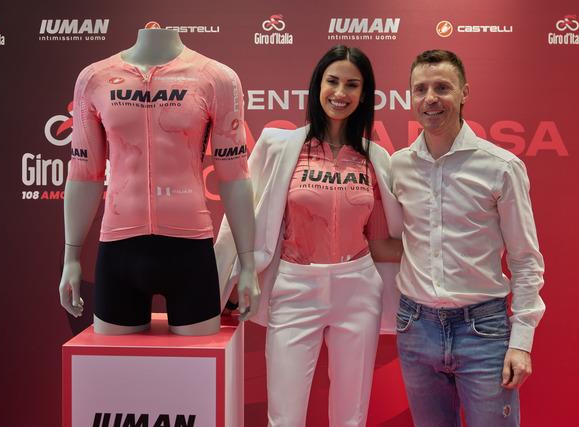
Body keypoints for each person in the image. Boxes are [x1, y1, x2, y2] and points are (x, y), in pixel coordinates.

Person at [215, 45, 403, 427]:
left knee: (351, 417)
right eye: (332, 81)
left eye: (352, 84)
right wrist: (233, 273)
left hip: (357, 287)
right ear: (318, 85)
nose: (340, 93)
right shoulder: (279, 145)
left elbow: (381, 238)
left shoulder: (377, 158)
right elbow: (244, 214)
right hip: (295, 285)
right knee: (284, 417)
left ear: (364, 94)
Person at [58, 27, 260, 335]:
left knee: (198, 365)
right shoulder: (95, 78)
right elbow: (84, 173)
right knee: (117, 364)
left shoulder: (216, 78)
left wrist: (248, 264)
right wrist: (71, 257)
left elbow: (234, 176)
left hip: (191, 253)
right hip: (119, 254)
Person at [390, 49, 545, 426]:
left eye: (442, 88)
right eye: (420, 89)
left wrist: (521, 342)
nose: (430, 98)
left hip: (484, 331)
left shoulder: (500, 167)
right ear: (410, 97)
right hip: (416, 328)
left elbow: (525, 259)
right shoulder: (397, 166)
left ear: (464, 93)